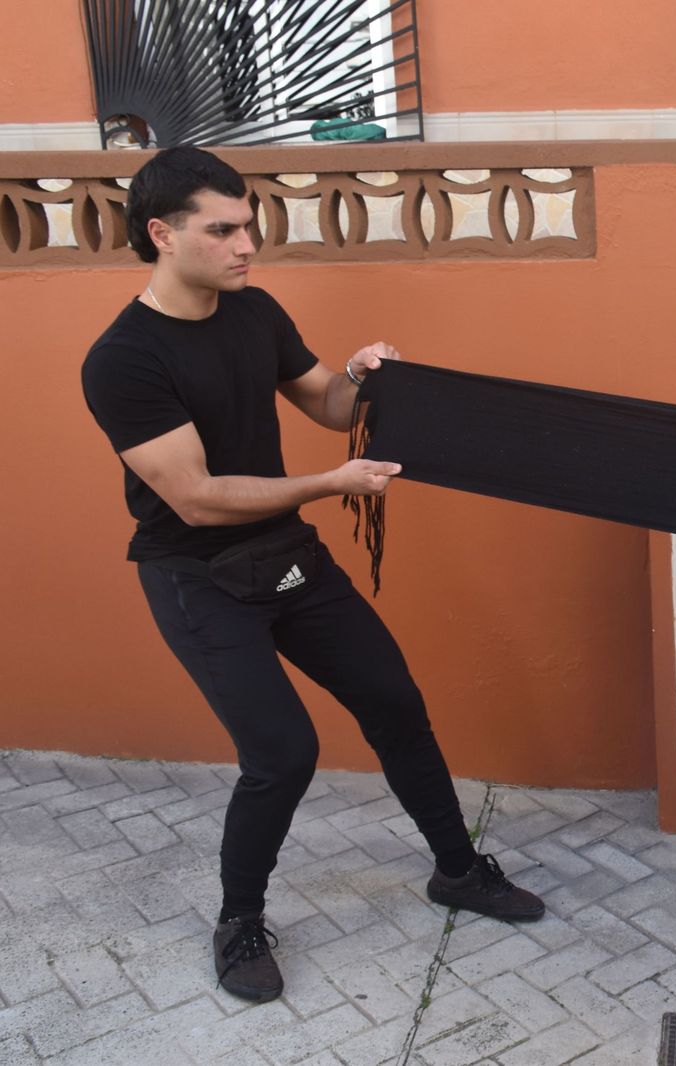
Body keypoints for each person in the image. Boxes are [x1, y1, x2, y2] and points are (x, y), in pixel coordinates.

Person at [80, 146, 545, 1004]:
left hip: (284, 553)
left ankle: (456, 871)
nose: (245, 245)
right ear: (161, 234)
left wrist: (362, 381)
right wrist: (332, 485)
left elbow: (327, 403)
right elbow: (196, 499)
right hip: (197, 574)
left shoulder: (254, 313)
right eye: (222, 230)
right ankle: (239, 920)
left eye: (248, 226)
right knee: (284, 753)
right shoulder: (123, 359)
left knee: (395, 702)